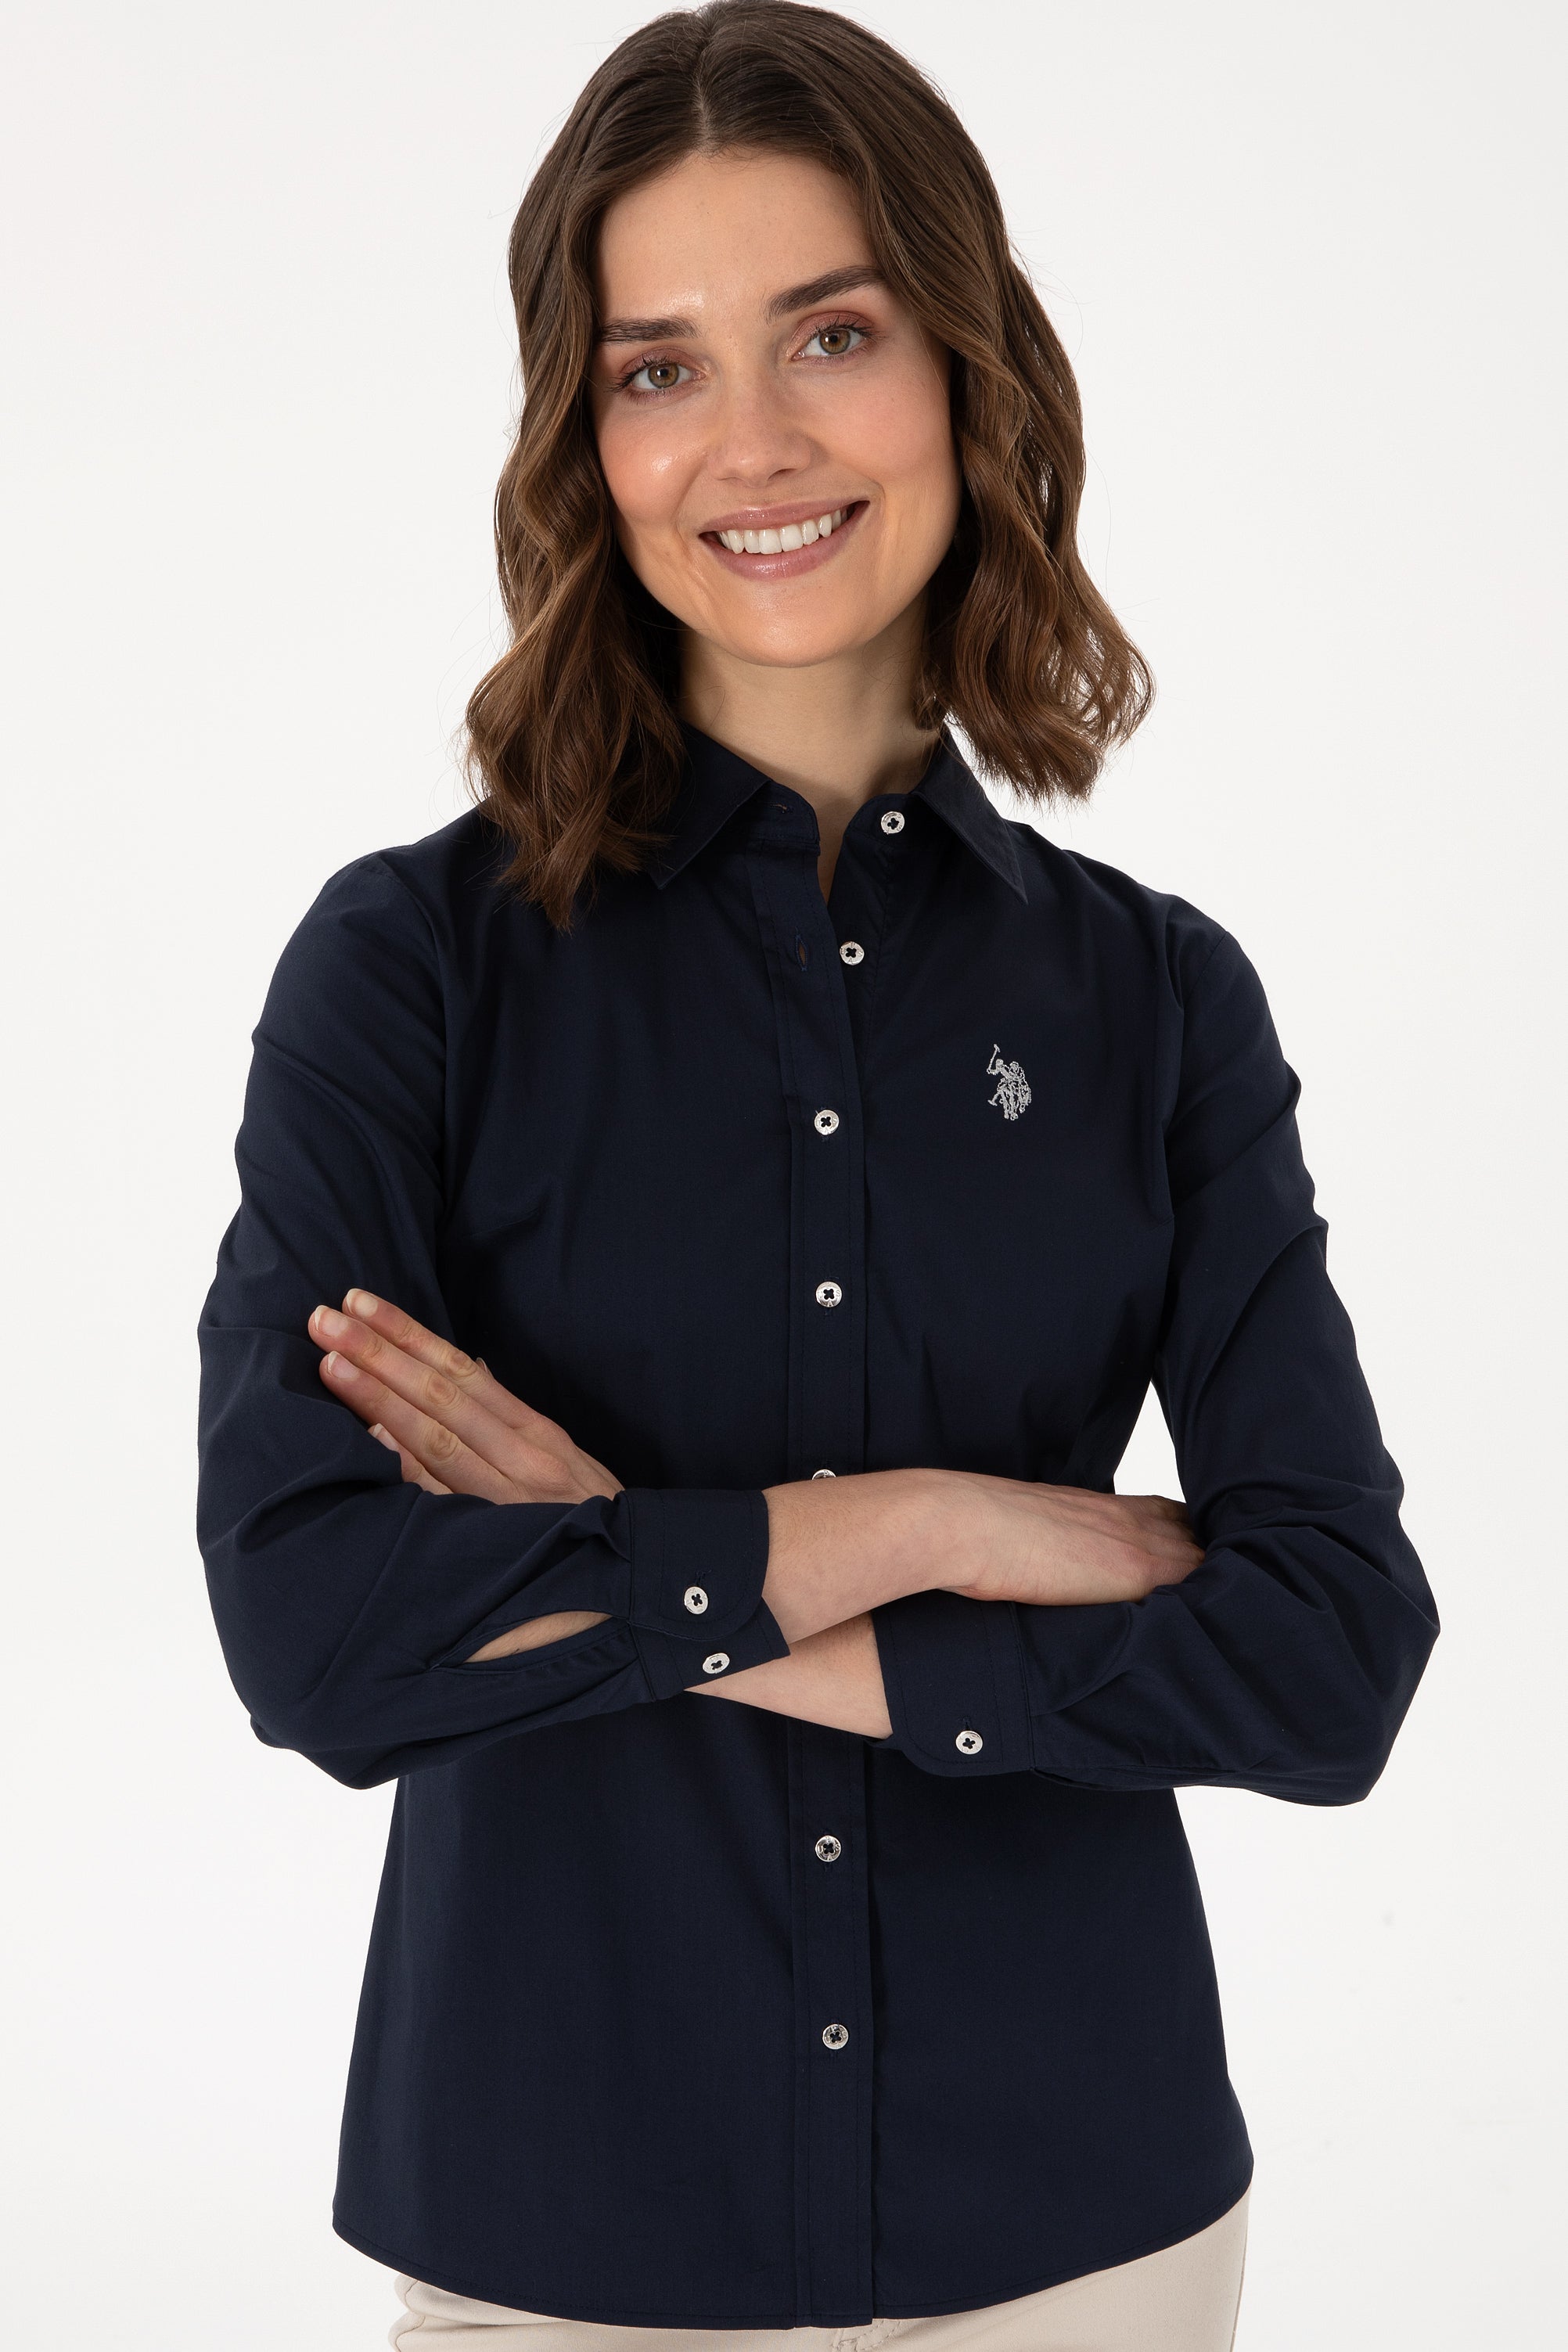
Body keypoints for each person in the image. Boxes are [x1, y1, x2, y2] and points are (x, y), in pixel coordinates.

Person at [195, 5, 1439, 2347]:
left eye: (831, 335)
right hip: (568, 2230)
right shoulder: (411, 971)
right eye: (657, 367)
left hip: (1078, 2233)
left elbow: (1332, 1657)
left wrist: (635, 1572)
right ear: (582, 438)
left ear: (967, 365)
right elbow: (324, 1634)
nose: (750, 441)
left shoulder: (1158, 999)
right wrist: (960, 1523)